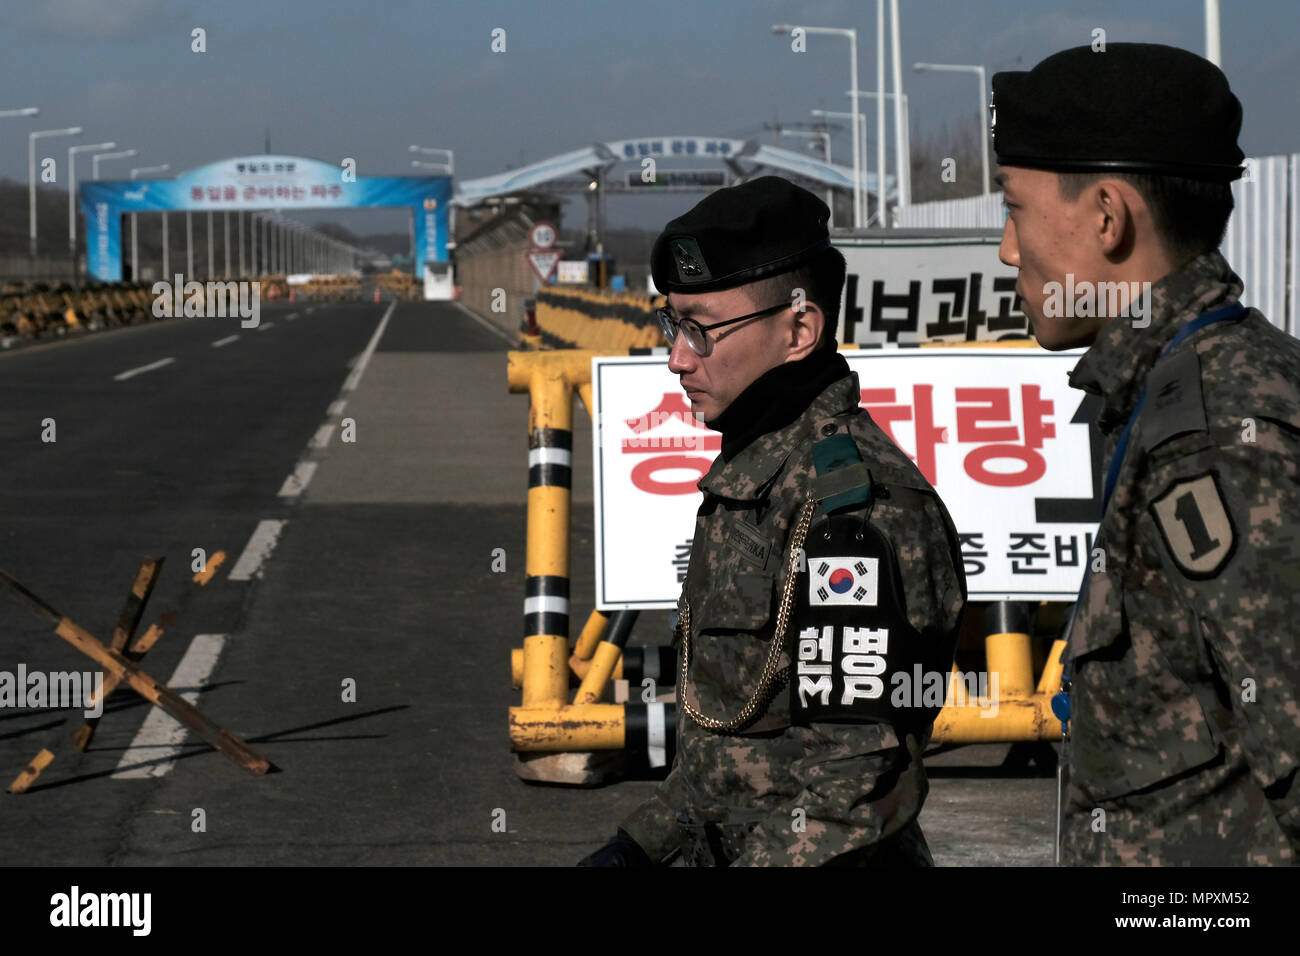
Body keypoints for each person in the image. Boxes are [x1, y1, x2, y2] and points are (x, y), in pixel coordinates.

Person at [578, 176, 967, 866]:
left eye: (700, 329)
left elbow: (846, 797)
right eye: (672, 325)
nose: (676, 357)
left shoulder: (853, 509)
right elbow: (722, 763)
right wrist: (636, 850)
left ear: (798, 330)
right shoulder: (756, 478)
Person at [992, 43, 1300, 864]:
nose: (1007, 251)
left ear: (1106, 216)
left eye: (1014, 208)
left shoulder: (1215, 428)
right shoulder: (1185, 387)